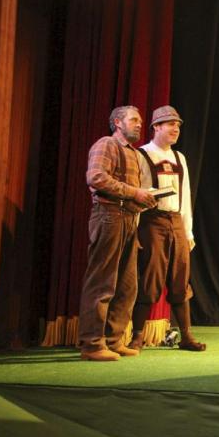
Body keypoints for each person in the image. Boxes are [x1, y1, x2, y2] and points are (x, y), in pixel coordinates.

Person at [78, 105, 157, 361]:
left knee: (127, 285)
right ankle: (92, 344)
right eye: (134, 120)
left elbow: (132, 192)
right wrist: (135, 193)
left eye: (140, 120)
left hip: (129, 219)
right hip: (109, 216)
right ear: (117, 122)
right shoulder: (107, 144)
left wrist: (144, 200)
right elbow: (96, 177)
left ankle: (113, 340)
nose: (139, 124)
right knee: (102, 282)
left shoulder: (133, 153)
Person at [128, 106, 206, 352]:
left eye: (178, 125)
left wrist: (188, 232)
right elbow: (135, 194)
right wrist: (135, 232)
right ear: (156, 127)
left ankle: (186, 336)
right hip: (152, 222)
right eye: (171, 124)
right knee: (150, 278)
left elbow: (186, 197)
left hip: (176, 222)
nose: (176, 129)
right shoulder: (142, 155)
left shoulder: (179, 158)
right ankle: (137, 336)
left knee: (180, 279)